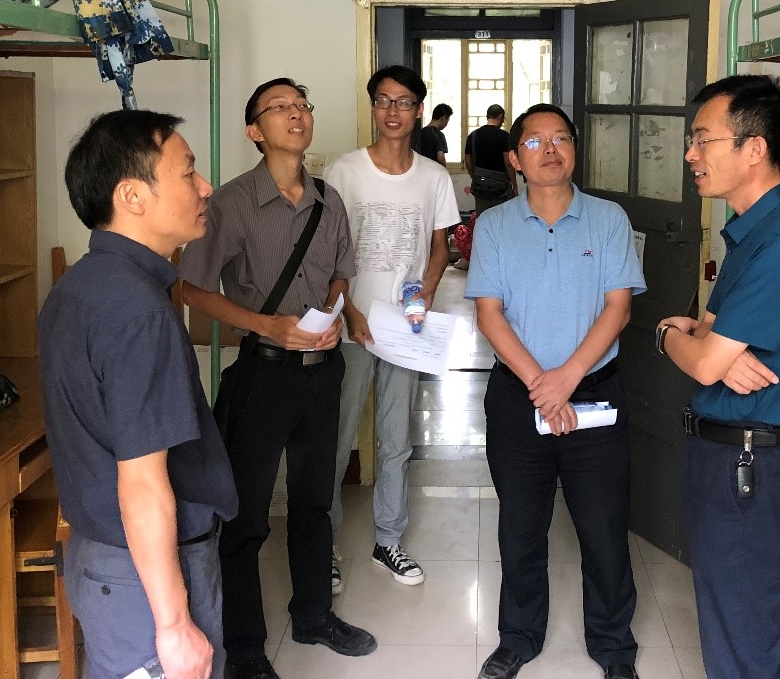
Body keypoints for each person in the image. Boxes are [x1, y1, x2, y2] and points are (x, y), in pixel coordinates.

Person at [179, 79, 377, 679]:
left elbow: (341, 273)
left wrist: (333, 311)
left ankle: (314, 616)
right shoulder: (230, 204)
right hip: (262, 376)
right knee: (246, 518)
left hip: (324, 373)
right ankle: (244, 649)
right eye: (280, 107)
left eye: (302, 106)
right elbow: (191, 290)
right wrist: (269, 325)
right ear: (254, 130)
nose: (296, 115)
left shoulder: (328, 200)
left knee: (315, 503)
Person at [39, 110, 237, 679]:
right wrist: (173, 625)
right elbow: (143, 483)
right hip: (143, 575)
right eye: (188, 172)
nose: (206, 187)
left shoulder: (78, 286)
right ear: (132, 196)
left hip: (107, 561)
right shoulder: (137, 310)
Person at [655, 74, 780, 679]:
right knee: (733, 627)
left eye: (702, 139)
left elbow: (703, 354)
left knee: (744, 640)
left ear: (754, 148)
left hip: (750, 466)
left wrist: (667, 333)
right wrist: (698, 344)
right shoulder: (751, 231)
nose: (691, 155)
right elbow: (708, 336)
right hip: (728, 458)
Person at [465, 103, 646, 679]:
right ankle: (518, 637)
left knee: (604, 530)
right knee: (520, 528)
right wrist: (541, 387)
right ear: (514, 159)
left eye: (561, 138)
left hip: (594, 396)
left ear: (574, 149)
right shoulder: (494, 225)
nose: (549, 149)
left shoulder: (608, 219)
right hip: (517, 400)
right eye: (535, 141)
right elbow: (489, 314)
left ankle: (613, 646)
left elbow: (618, 308)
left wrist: (565, 380)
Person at [325, 65, 457, 591]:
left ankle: (388, 540)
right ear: (373, 107)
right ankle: (324, 544)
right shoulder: (344, 171)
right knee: (337, 438)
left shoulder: (434, 177)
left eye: (403, 102)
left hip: (406, 329)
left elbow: (440, 246)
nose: (393, 111)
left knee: (396, 438)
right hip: (352, 324)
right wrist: (348, 311)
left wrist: (426, 291)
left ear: (419, 110)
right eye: (383, 100)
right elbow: (329, 251)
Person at [464, 104, 518, 215]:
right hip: (500, 188)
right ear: (500, 116)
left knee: (482, 216)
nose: (502, 122)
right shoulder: (504, 136)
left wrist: (475, 177)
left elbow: (468, 160)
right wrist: (514, 185)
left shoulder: (473, 136)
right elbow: (508, 163)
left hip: (480, 186)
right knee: (501, 217)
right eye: (503, 119)